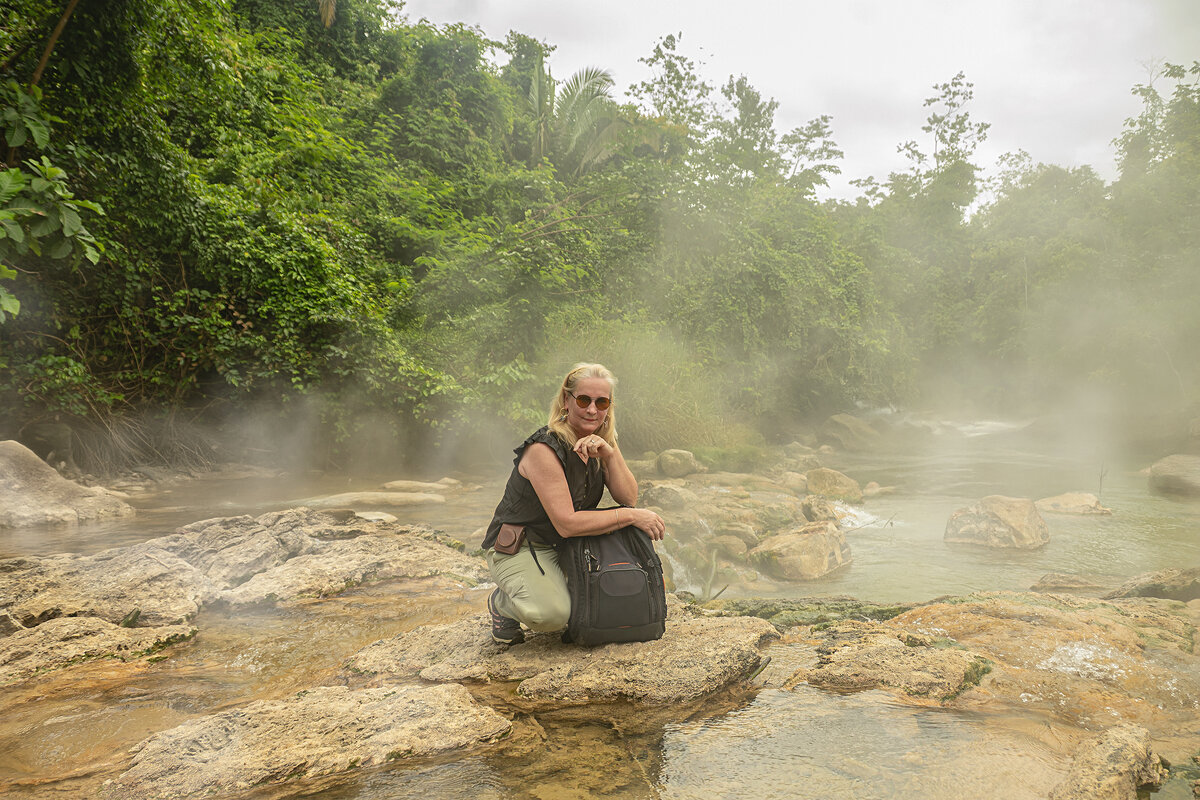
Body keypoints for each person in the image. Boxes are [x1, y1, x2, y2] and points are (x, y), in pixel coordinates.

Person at [481, 362, 667, 644]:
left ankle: (551, 589)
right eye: (583, 400)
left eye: (601, 402)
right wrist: (631, 517)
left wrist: (610, 455)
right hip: (524, 547)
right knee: (551, 616)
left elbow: (628, 498)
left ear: (609, 407)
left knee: (609, 596)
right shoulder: (544, 449)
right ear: (566, 401)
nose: (592, 410)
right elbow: (567, 523)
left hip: (570, 546)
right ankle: (502, 603)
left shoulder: (600, 441)